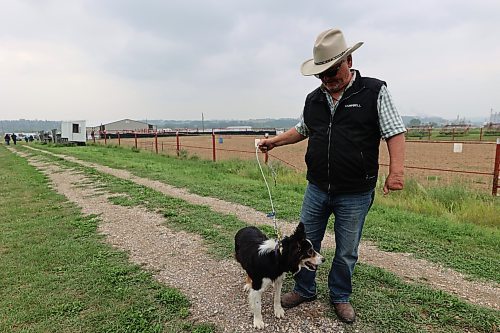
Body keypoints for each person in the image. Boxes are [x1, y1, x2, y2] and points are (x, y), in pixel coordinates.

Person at [258, 28, 406, 323]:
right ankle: (304, 289)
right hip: (317, 188)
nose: (327, 78)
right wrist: (274, 142)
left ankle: (340, 296)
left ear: (349, 60)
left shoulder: (374, 91)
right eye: (321, 74)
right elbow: (303, 129)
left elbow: (395, 131)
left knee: (347, 249)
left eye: (332, 70)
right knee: (304, 241)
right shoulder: (314, 99)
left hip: (355, 191)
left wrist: (396, 172)